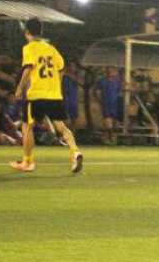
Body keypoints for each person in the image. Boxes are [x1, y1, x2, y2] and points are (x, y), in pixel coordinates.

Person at [10, 18, 83, 173]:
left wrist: (19, 88)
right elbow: (62, 66)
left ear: (27, 32)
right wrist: (57, 83)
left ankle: (28, 162)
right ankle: (75, 152)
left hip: (36, 95)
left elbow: (28, 69)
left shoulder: (29, 48)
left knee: (27, 126)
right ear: (41, 32)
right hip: (54, 95)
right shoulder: (51, 48)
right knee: (61, 127)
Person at [94, 66, 123, 144]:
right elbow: (97, 91)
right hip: (105, 103)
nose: (110, 72)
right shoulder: (102, 81)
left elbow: (120, 91)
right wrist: (99, 100)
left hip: (114, 103)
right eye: (108, 70)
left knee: (114, 121)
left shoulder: (117, 81)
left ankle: (110, 137)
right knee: (107, 119)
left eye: (111, 70)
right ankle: (110, 136)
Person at [62, 58, 82, 133]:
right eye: (70, 66)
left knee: (75, 120)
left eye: (74, 66)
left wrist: (73, 78)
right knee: (65, 119)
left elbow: (79, 84)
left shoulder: (76, 77)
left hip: (73, 100)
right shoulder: (64, 76)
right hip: (65, 99)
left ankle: (71, 135)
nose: (72, 67)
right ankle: (63, 135)